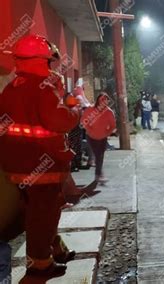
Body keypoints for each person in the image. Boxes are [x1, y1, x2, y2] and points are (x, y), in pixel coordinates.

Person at [0, 35, 79, 277]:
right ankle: (41, 266)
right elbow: (60, 121)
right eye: (48, 61)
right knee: (43, 215)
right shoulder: (43, 87)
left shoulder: (11, 89)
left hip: (15, 165)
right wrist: (74, 109)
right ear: (40, 60)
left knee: (38, 211)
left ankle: (56, 249)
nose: (51, 66)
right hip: (42, 166)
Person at [81, 92, 116, 184]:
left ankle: (98, 175)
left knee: (100, 156)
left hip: (102, 137)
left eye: (105, 100)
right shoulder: (90, 109)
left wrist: (107, 133)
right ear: (98, 101)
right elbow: (84, 121)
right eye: (101, 99)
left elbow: (112, 126)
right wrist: (89, 129)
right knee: (98, 155)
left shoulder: (109, 112)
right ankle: (99, 174)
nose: (103, 102)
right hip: (91, 137)